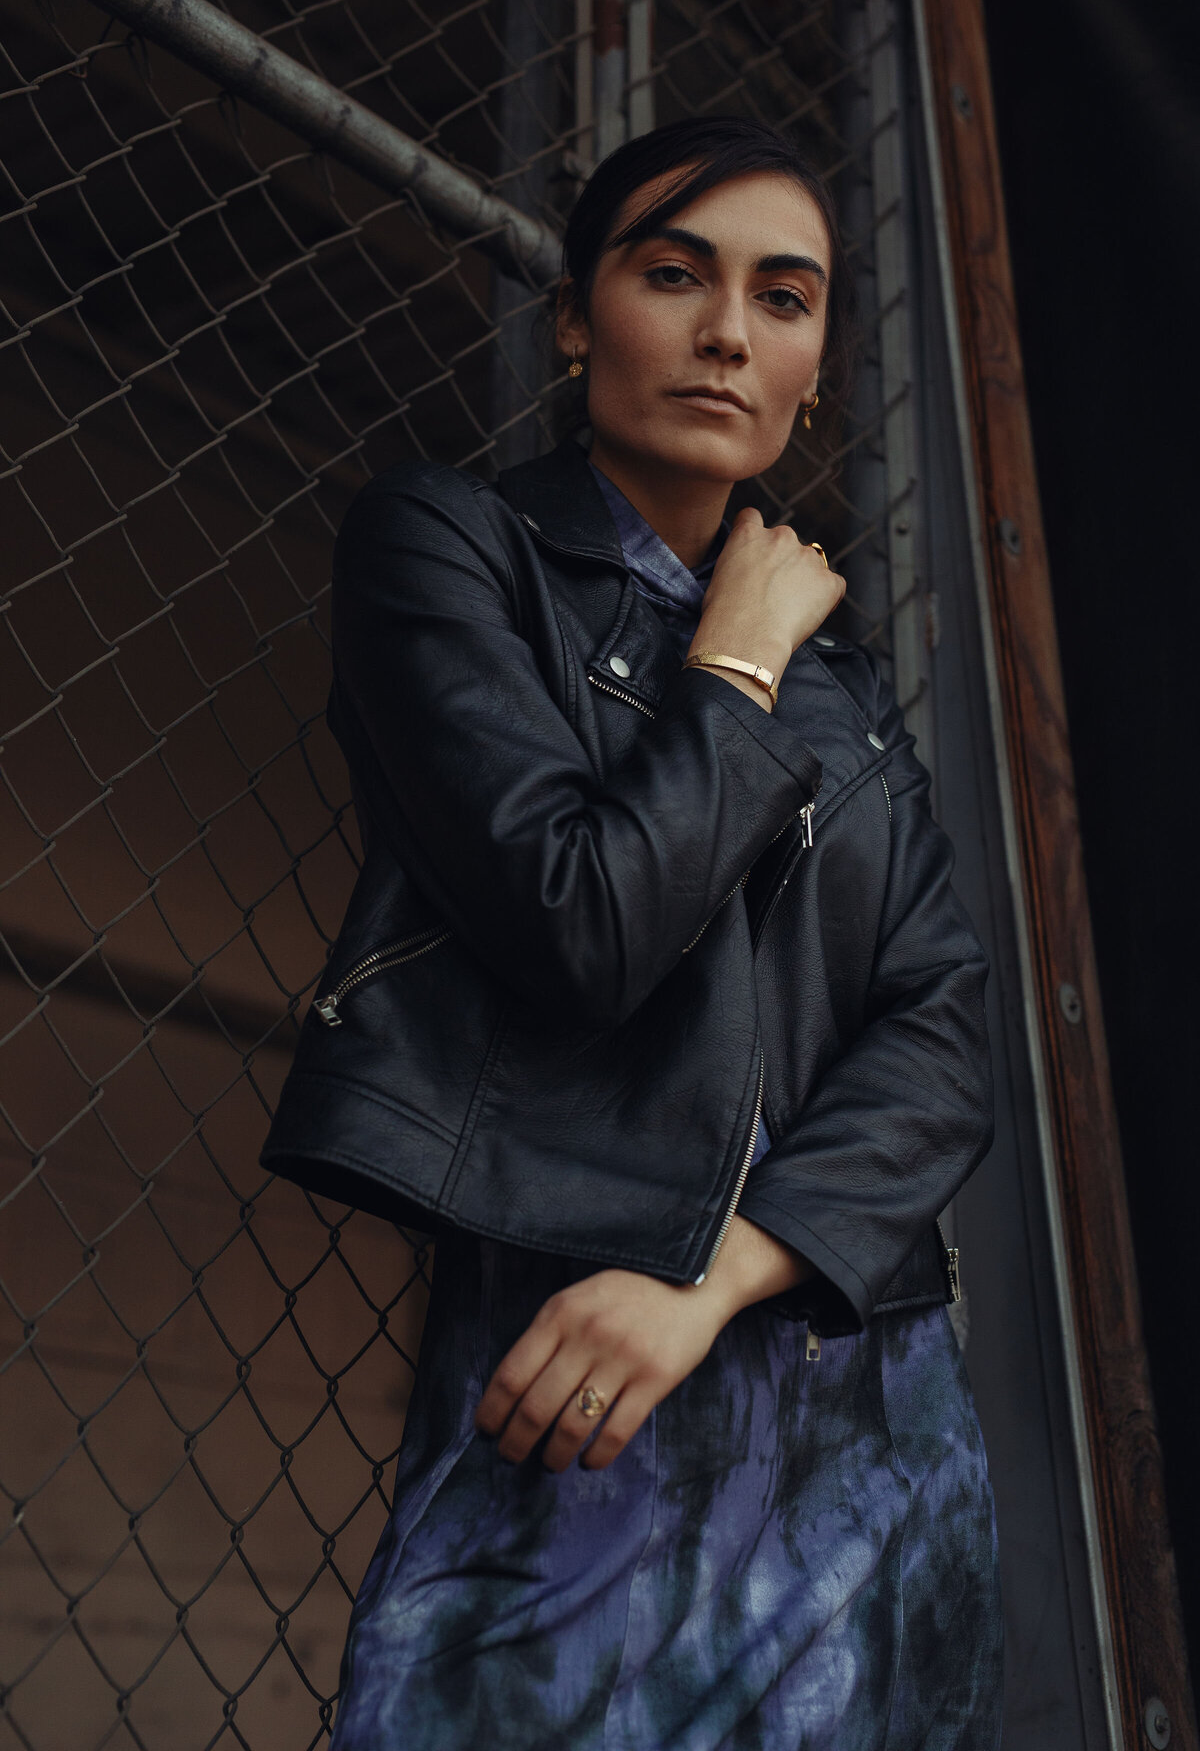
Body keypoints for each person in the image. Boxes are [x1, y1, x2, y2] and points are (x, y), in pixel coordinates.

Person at [262, 115, 1004, 1749]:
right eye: (677, 276)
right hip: (583, 1399)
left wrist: (718, 1278)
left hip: (861, 1412)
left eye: (785, 296)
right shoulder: (452, 551)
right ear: (581, 319)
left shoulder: (846, 679)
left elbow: (947, 1033)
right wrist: (730, 664)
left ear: (816, 361)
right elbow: (583, 921)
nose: (732, 330)